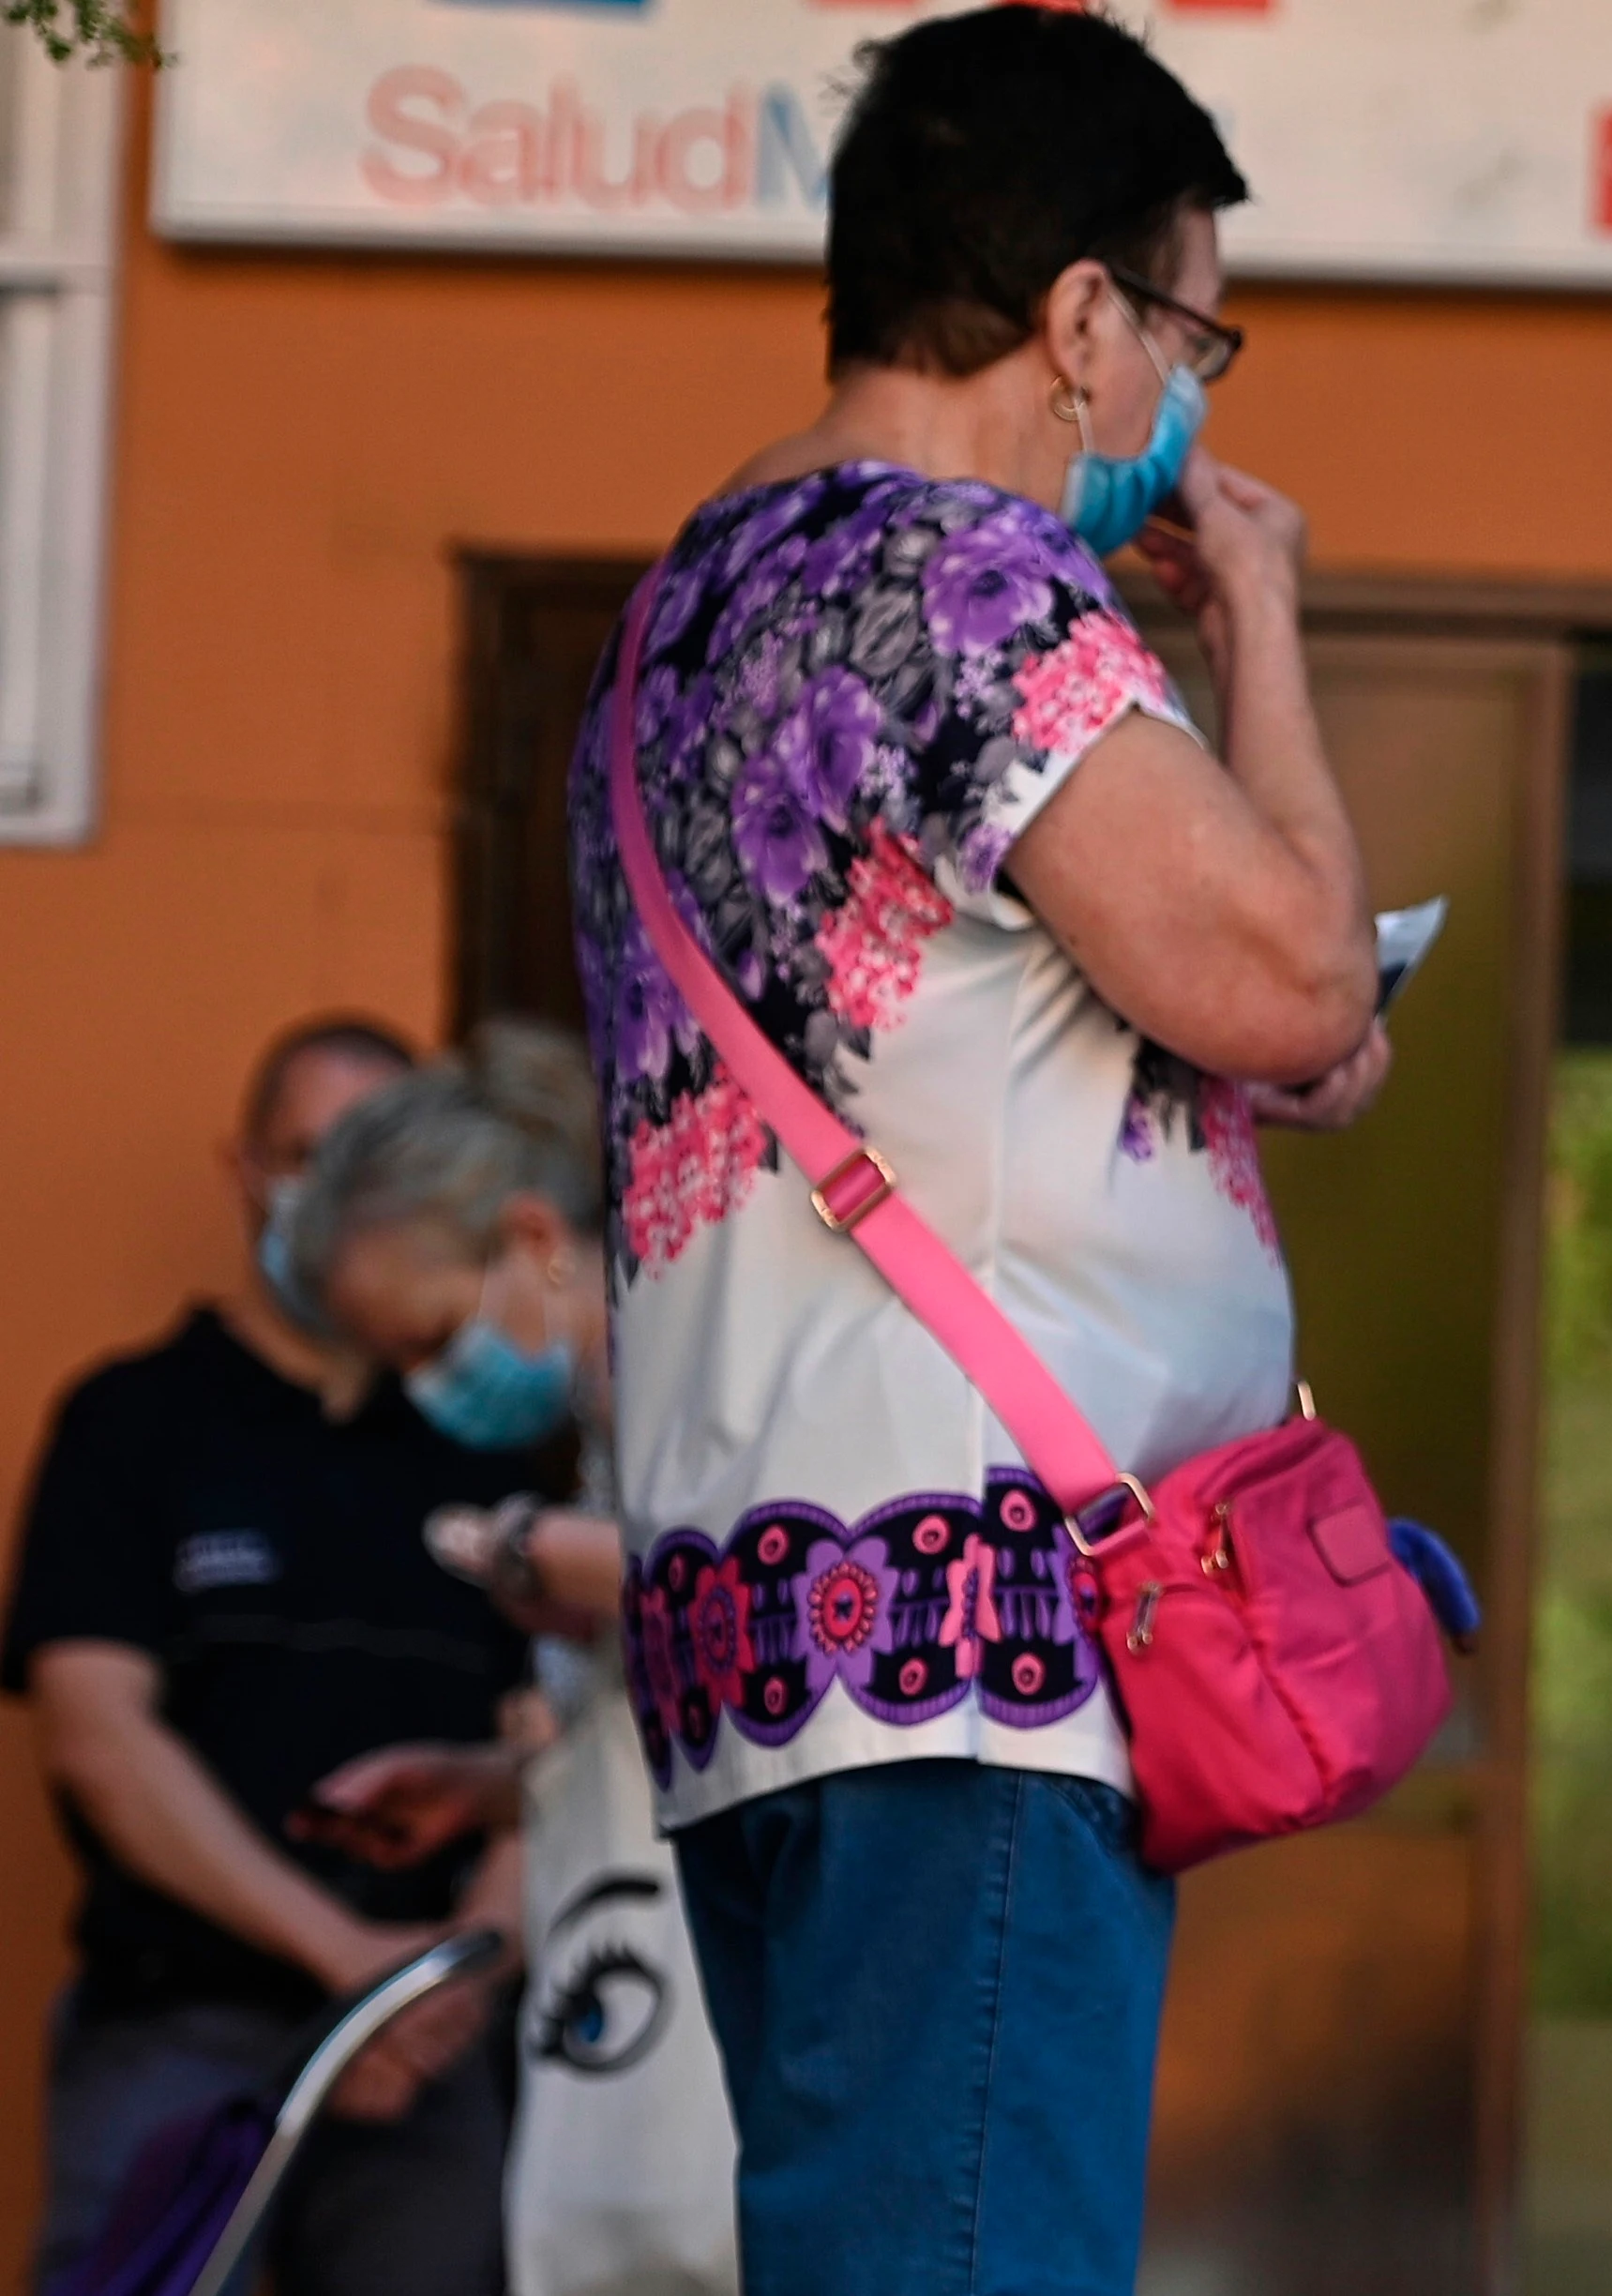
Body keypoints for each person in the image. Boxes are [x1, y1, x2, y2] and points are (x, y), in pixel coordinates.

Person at [567, 11, 1388, 2291]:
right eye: (1189, 328)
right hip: (975, 1634)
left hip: (760, 1621)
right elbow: (1298, 980)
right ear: (1081, 314)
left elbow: (965, 1022)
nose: (1174, 398)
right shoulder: (964, 579)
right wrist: (1269, 625)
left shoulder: (674, 619)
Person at [5, 1014, 540, 2296]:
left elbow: (558, 1747)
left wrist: (456, 1968)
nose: (340, 1202)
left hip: (439, 2041)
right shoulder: (131, 1424)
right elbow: (97, 1740)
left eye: (377, 1165)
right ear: (244, 1169)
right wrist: (341, 1966)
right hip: (180, 2032)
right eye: (310, 1157)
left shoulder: (492, 1445)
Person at [280, 1020, 741, 2296]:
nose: (434, 1392)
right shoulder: (604, 1425)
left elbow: (783, 1592)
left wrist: (556, 1556)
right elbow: (630, 1729)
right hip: (618, 2007)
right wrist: (490, 1784)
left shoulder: (713, 1363)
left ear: (537, 1239)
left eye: (432, 1342)